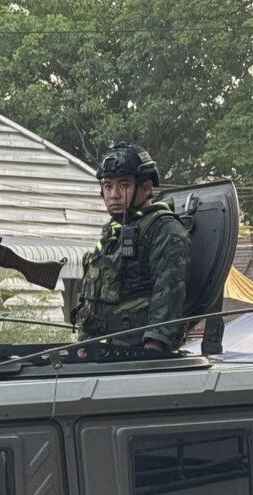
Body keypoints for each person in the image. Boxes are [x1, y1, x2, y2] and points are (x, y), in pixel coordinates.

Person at [75, 142, 191, 351]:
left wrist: (151, 351)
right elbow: (95, 299)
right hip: (103, 349)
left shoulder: (165, 230)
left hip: (137, 352)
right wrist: (83, 347)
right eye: (107, 186)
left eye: (124, 185)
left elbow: (168, 295)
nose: (114, 195)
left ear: (146, 188)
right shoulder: (114, 231)